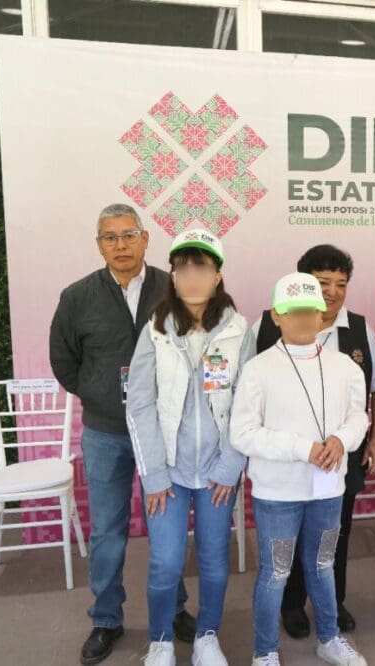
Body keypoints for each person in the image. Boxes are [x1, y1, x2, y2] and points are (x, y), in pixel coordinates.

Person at [49, 204, 196, 665]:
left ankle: (175, 609)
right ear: (99, 245)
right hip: (106, 432)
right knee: (108, 530)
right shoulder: (77, 297)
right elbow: (63, 360)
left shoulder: (172, 288)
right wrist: (98, 394)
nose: (121, 245)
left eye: (129, 235)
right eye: (110, 237)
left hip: (162, 431)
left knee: (166, 526)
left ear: (146, 239)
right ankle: (106, 618)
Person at [126, 230, 252, 665]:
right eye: (183, 269)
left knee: (214, 559)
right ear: (173, 278)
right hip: (169, 473)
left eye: (202, 268)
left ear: (217, 276)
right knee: (165, 561)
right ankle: (161, 641)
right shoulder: (155, 330)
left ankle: (207, 637)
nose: (193, 277)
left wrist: (230, 466)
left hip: (218, 472)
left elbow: (248, 404)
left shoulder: (239, 330)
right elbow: (139, 403)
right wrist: (153, 474)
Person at [231, 272, 369, 666]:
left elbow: (359, 417)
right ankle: (264, 651)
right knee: (275, 573)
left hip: (328, 491)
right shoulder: (257, 369)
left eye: (311, 310)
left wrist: (341, 440)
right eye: (293, 311)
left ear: (322, 313)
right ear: (276, 315)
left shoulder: (345, 367)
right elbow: (243, 433)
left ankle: (329, 637)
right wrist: (301, 449)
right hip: (277, 494)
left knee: (323, 565)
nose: (304, 319)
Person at [252, 245, 375, 638]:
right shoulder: (265, 328)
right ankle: (292, 605)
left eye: (340, 284)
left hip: (339, 458)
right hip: (285, 463)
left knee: (334, 535)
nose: (332, 292)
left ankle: (332, 602)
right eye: (323, 283)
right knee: (288, 541)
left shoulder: (359, 330)